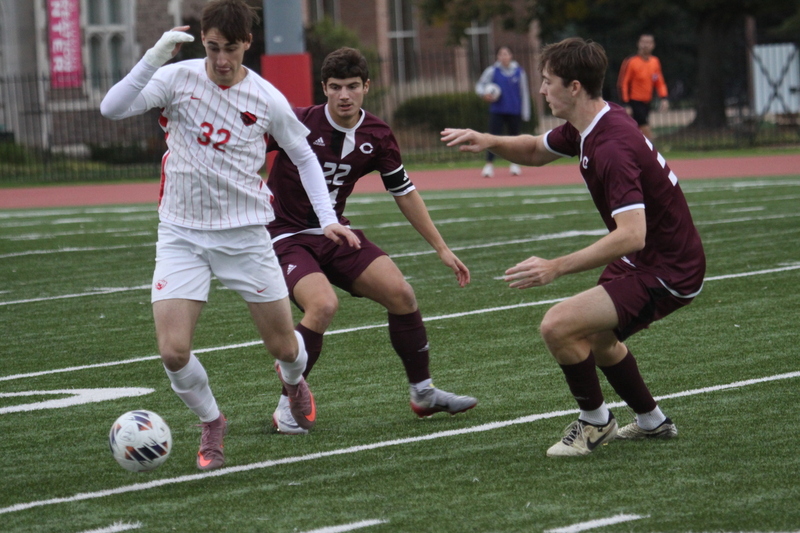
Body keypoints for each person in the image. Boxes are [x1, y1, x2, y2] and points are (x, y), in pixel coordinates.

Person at [100, 0, 360, 470]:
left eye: (231, 49)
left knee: (286, 348)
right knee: (173, 351)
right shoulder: (176, 79)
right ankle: (212, 422)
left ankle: (294, 381)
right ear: (203, 41)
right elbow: (112, 107)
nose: (221, 60)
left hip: (245, 237)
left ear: (248, 45)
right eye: (213, 48)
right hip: (181, 232)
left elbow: (303, 156)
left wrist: (326, 218)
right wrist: (153, 56)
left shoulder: (267, 98)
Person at [441, 37, 705, 457]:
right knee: (598, 337)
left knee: (558, 325)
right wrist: (486, 138)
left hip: (667, 269)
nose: (542, 90)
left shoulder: (611, 145)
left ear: (575, 87)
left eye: (548, 82)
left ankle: (595, 422)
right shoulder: (591, 124)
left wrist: (556, 266)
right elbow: (532, 149)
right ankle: (653, 422)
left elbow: (632, 233)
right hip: (644, 257)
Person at [266, 47, 477, 434]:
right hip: (286, 235)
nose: (343, 95)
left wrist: (442, 248)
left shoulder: (377, 133)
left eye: (351, 86)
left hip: (336, 232)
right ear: (324, 89)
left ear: (366, 87)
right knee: (323, 305)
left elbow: (404, 191)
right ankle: (287, 404)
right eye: (334, 87)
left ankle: (423, 392)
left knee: (402, 294)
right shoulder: (297, 122)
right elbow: (241, 148)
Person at [475, 46, 531, 178]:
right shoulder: (492, 71)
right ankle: (489, 165)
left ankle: (515, 164)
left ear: (511, 56)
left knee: (515, 138)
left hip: (514, 110)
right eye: (501, 54)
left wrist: (525, 112)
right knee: (492, 137)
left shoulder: (519, 72)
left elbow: (524, 92)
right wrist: (484, 94)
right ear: (498, 57)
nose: (503, 57)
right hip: (497, 110)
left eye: (506, 54)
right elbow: (479, 85)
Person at [618, 33, 669, 141]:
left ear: (653, 45)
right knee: (643, 125)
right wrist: (625, 103)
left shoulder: (655, 62)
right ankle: (653, 146)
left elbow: (659, 82)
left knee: (636, 128)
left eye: (648, 42)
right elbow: (623, 83)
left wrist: (664, 98)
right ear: (638, 44)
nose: (645, 45)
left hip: (647, 101)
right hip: (634, 100)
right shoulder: (631, 61)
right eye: (643, 42)